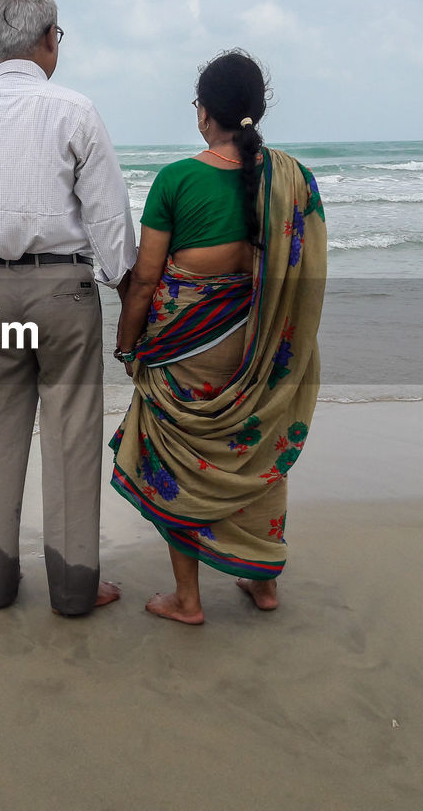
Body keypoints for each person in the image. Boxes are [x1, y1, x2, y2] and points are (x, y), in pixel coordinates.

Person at [0, 0, 137, 616]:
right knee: (71, 438)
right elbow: (109, 220)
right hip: (66, 290)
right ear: (51, 40)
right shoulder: (76, 111)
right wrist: (129, 292)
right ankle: (74, 590)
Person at [110, 49, 326, 625]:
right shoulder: (293, 179)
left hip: (186, 352)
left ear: (204, 112)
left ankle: (188, 599)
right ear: (258, 109)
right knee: (255, 452)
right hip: (259, 347)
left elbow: (147, 279)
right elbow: (301, 272)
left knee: (181, 463)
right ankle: (263, 583)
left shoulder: (177, 179)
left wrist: (128, 344)